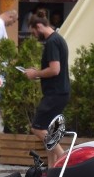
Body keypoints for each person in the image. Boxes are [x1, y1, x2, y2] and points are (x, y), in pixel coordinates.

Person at [24, 13, 69, 167]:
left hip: (54, 93)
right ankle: (52, 170)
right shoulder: (58, 39)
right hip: (59, 92)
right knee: (50, 130)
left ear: (39, 26)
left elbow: (55, 69)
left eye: (33, 32)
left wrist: (35, 73)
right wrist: (38, 72)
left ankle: (64, 158)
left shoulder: (52, 42)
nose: (34, 36)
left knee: (38, 128)